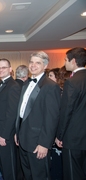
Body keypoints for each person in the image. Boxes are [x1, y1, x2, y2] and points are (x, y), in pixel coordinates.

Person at [15, 51, 61, 180]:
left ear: (45, 66)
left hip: (37, 142)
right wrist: (17, 132)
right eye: (31, 62)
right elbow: (22, 112)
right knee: (27, 175)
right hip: (23, 140)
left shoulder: (51, 87)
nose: (33, 65)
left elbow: (51, 119)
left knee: (40, 176)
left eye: (38, 63)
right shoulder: (25, 84)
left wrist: (44, 144)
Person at [55, 47, 86, 180]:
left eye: (66, 60)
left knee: (72, 174)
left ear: (73, 61)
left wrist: (59, 136)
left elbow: (66, 111)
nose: (65, 62)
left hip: (73, 138)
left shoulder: (72, 82)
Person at [0, 59, 21, 180]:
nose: (1, 70)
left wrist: (4, 134)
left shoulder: (13, 86)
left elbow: (12, 114)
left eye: (4, 67)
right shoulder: (2, 84)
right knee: (4, 166)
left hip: (5, 135)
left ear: (10, 69)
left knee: (9, 168)